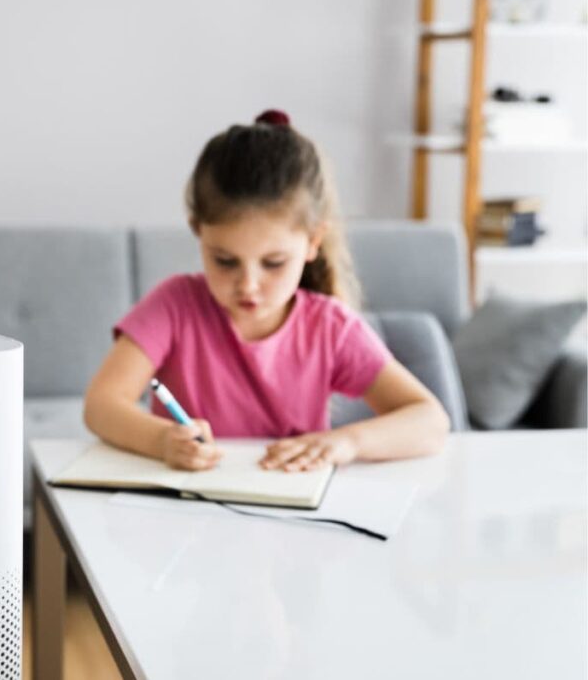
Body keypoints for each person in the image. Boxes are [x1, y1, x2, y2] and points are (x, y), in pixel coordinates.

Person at [83, 110, 450, 473]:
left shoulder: (329, 326)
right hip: (185, 514)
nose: (248, 285)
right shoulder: (174, 305)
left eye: (273, 263)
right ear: (199, 232)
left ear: (312, 243)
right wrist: (163, 441)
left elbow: (431, 421)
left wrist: (346, 442)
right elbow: (101, 404)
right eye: (225, 260)